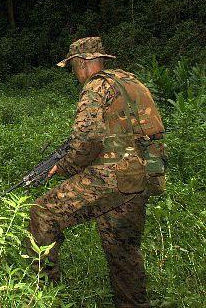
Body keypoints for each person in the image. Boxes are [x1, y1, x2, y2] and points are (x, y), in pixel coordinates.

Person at [28, 37, 167, 307]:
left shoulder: (96, 86)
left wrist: (66, 166)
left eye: (73, 68)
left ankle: (42, 296)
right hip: (140, 177)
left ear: (82, 63)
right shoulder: (131, 82)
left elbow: (88, 138)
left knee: (42, 213)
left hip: (110, 177)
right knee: (122, 250)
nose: (74, 74)